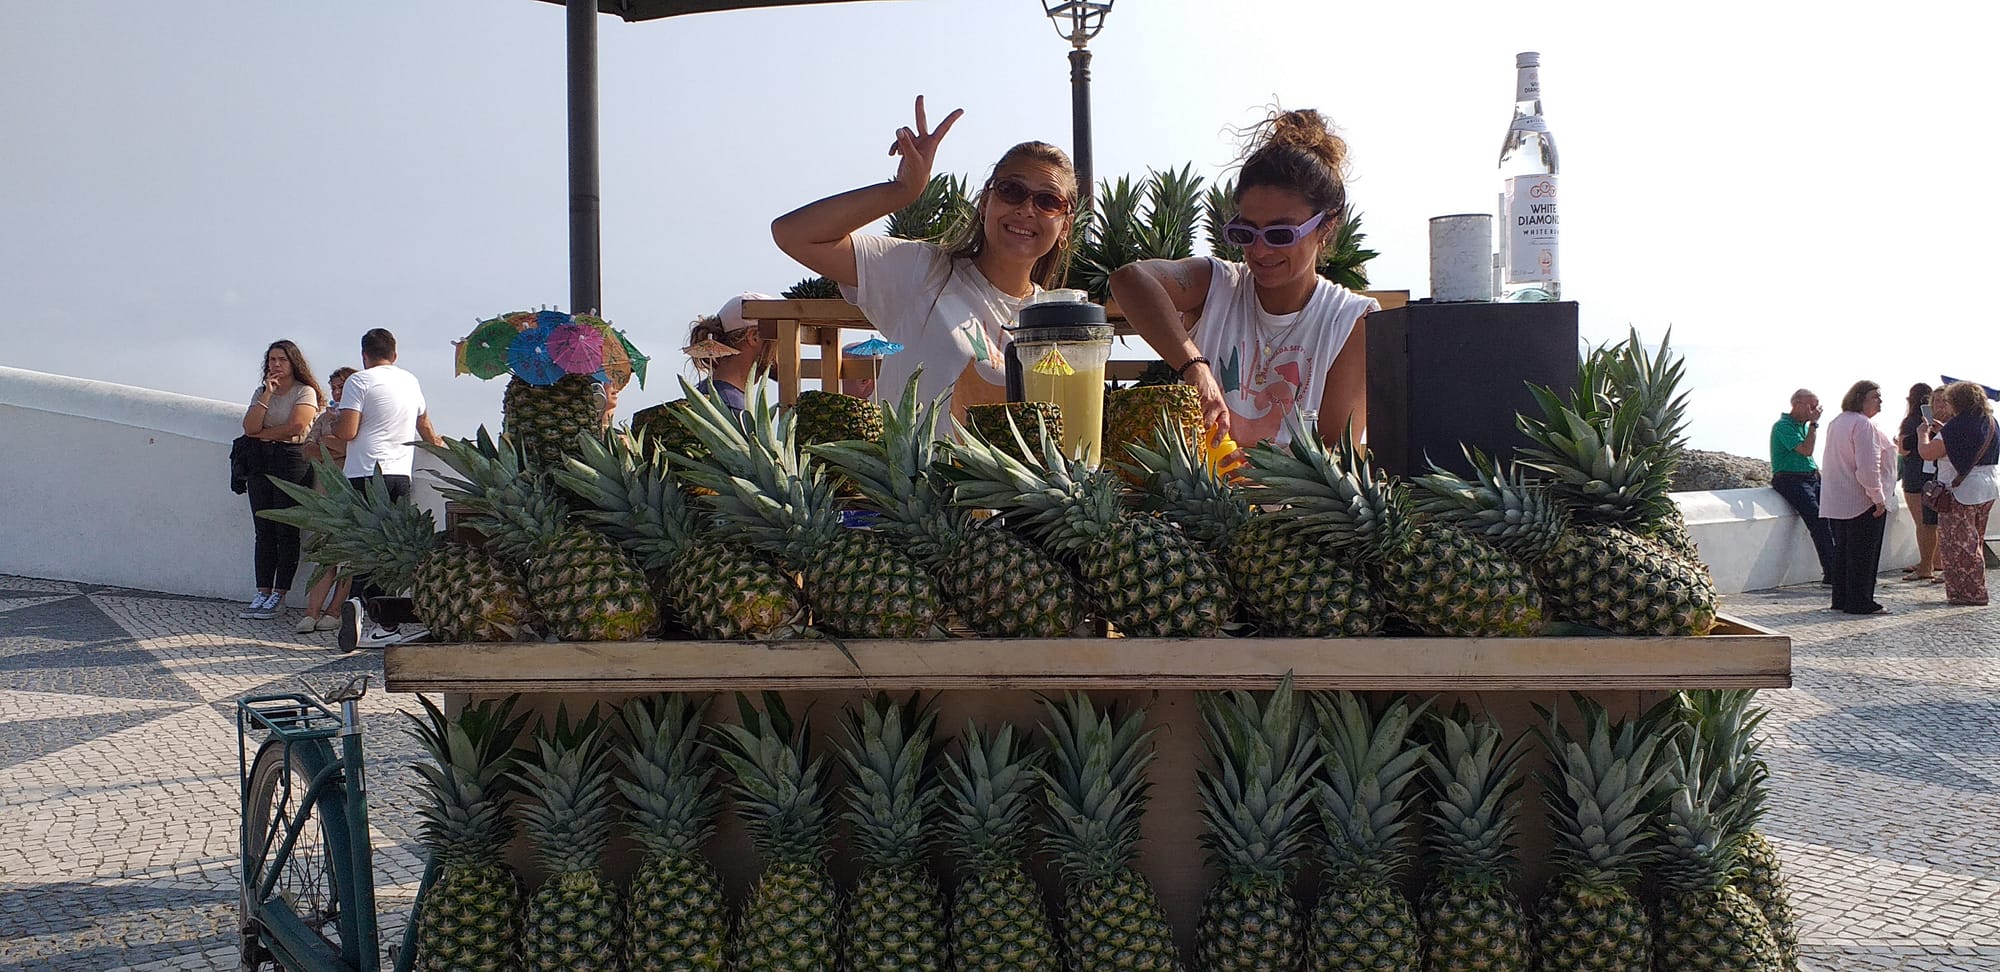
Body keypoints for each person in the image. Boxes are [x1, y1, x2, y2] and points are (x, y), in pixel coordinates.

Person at [772, 96, 1076, 421]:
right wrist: (903, 191)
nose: (1026, 209)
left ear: (1064, 226)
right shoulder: (923, 271)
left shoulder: (1058, 321)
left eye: (1048, 201)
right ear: (986, 202)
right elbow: (794, 234)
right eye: (1011, 191)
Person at [1110, 108, 1378, 448]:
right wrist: (1196, 367)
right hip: (1202, 497)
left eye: (1281, 235)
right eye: (1245, 233)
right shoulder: (1218, 286)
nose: (1260, 250)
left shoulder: (1351, 321)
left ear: (1326, 226)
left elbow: (1333, 458)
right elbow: (1129, 279)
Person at [327, 328, 441, 649]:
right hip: (399, 474)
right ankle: (384, 622)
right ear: (395, 354)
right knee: (388, 549)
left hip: (365, 474)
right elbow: (427, 428)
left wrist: (335, 422)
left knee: (363, 548)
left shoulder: (359, 382)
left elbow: (348, 431)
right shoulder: (410, 381)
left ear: (364, 356)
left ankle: (360, 609)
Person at [237, 340, 324, 621]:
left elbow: (298, 426)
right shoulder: (263, 392)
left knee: (286, 529)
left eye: (281, 360)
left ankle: (280, 593)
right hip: (261, 460)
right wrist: (267, 395)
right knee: (264, 528)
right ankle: (262, 591)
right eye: (272, 360)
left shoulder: (304, 391)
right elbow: (249, 427)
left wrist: (264, 433)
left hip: (291, 460)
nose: (276, 365)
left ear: (293, 362)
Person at [1917, 380, 1998, 606]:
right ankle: (1972, 590)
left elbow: (1928, 452)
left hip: (1962, 490)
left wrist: (1923, 434)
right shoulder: (1990, 422)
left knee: (1959, 544)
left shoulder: (1957, 426)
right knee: (1975, 541)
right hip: (1987, 487)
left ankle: (1969, 592)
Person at [1821, 381, 1895, 615]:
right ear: (1861, 398)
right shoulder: (1863, 425)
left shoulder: (1837, 422)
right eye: (1876, 396)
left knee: (1843, 552)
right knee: (1864, 554)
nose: (1880, 401)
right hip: (1860, 500)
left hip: (1837, 499)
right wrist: (1878, 497)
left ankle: (1841, 598)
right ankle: (1861, 601)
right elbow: (1867, 467)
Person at [294, 366, 356, 634]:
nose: (337, 392)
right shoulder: (323, 418)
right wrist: (330, 443)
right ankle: (312, 611)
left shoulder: (356, 417)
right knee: (324, 555)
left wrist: (327, 442)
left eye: (342, 387)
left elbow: (347, 447)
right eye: (334, 387)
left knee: (349, 557)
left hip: (349, 494)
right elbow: (307, 451)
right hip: (323, 495)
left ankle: (334, 610)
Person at [1768, 388, 1836, 585]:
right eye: (1810, 406)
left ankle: (1839, 566)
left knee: (1833, 517)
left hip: (1811, 477)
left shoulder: (1803, 427)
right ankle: (1831, 572)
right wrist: (1814, 425)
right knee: (1817, 519)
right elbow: (1806, 450)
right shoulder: (1783, 426)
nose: (1814, 411)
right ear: (1796, 404)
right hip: (1791, 479)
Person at [686, 293, 778, 413]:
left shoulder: (701, 398)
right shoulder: (732, 412)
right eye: (780, 337)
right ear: (755, 337)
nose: (788, 348)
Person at [1894, 382, 1939, 581]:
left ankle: (1925, 565)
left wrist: (1899, 443)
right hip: (1934, 476)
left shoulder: (1911, 421)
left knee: (1922, 524)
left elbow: (1903, 449)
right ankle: (1936, 561)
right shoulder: (1938, 421)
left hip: (1914, 476)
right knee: (1933, 523)